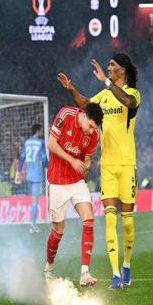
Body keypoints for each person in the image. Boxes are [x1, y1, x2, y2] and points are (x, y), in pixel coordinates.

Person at [57, 52, 140, 289]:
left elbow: (127, 102)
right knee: (110, 219)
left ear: (122, 70)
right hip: (108, 166)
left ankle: (126, 265)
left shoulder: (133, 93)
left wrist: (106, 81)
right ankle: (115, 275)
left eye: (112, 65)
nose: (108, 67)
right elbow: (85, 105)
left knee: (127, 223)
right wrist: (71, 89)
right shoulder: (103, 96)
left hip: (127, 165)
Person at [43, 103, 103, 287]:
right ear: (84, 116)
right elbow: (51, 144)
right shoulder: (66, 114)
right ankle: (49, 267)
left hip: (76, 181)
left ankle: (85, 273)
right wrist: (72, 160)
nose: (91, 131)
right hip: (57, 181)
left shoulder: (94, 135)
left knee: (89, 219)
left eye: (94, 128)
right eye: (90, 126)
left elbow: (87, 158)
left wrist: (85, 168)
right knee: (58, 231)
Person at [15, 124, 48, 233]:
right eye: (41, 131)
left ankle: (33, 224)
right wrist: (49, 169)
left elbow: (22, 158)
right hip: (37, 175)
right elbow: (44, 159)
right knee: (35, 202)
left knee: (34, 200)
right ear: (37, 131)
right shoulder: (40, 142)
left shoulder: (27, 142)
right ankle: (33, 225)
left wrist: (18, 172)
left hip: (29, 175)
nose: (42, 132)